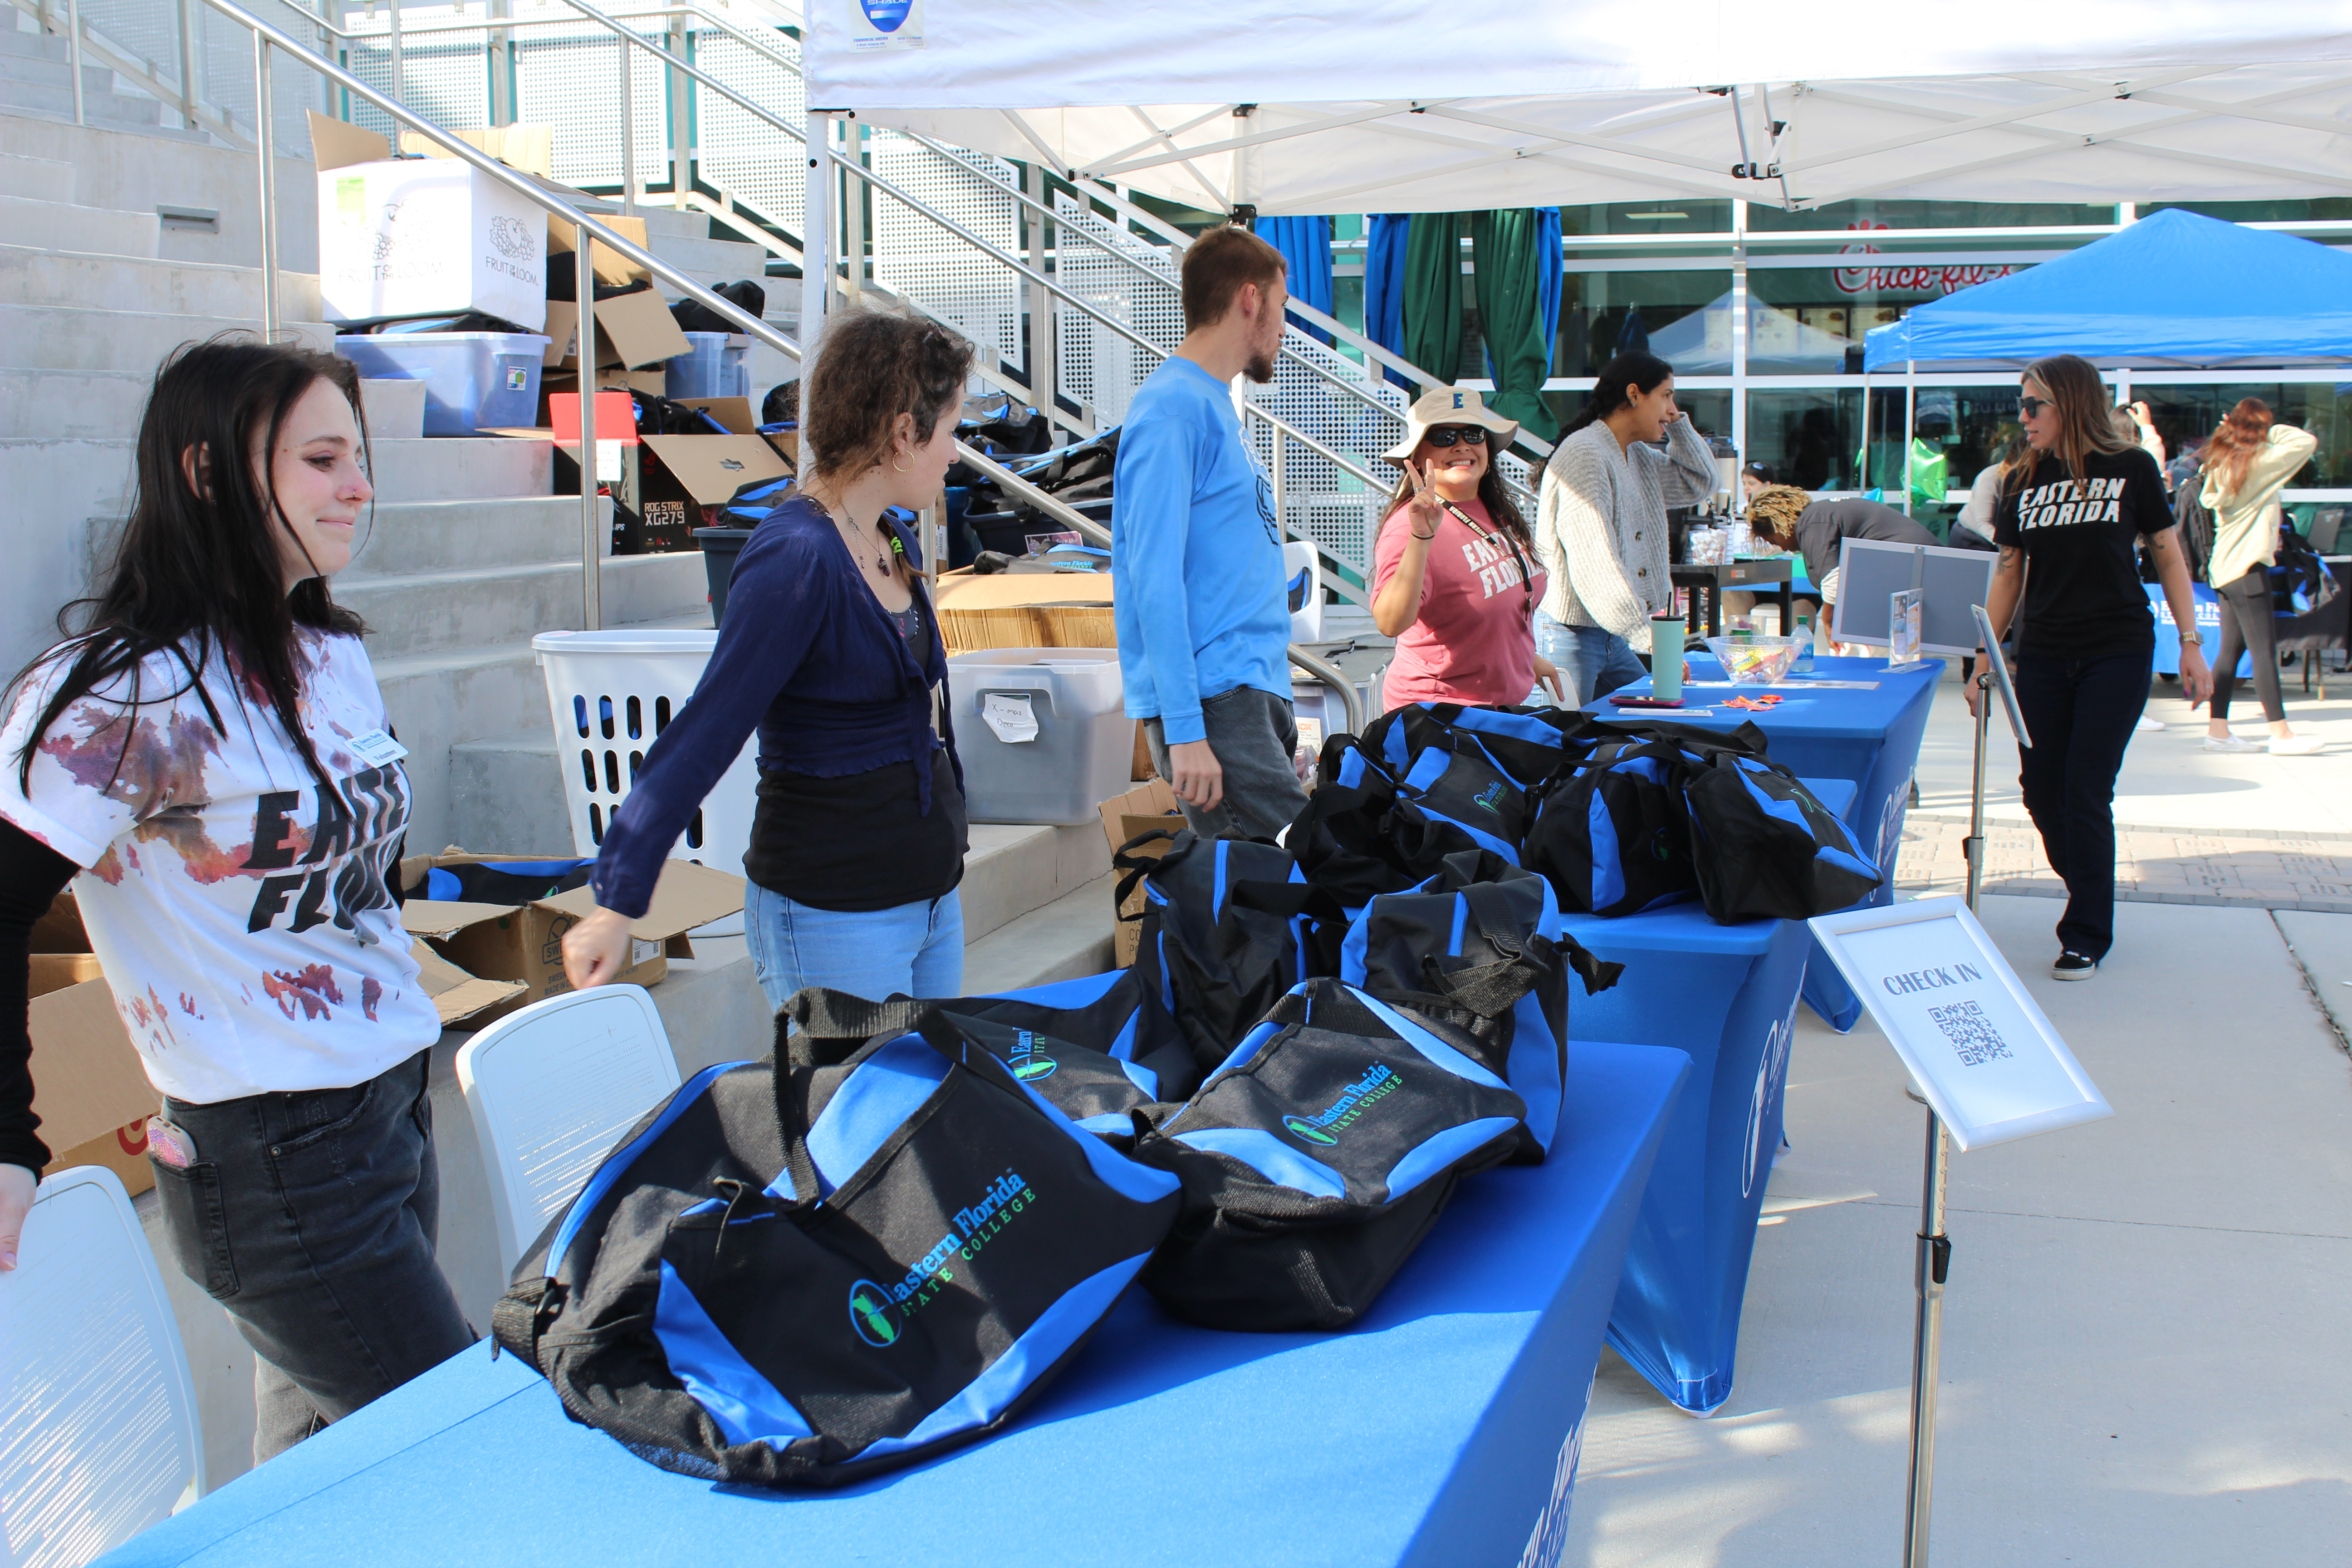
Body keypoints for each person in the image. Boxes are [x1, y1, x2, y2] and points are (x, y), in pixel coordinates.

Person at [0, 337, 470, 1459]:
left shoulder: (326, 648)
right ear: (208, 473)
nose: (357, 485)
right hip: (275, 1155)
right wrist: (6, 1137)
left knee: (320, 1487)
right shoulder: (116, 697)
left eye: (356, 456)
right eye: (319, 459)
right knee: (454, 1451)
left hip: (391, 1108)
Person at [562, 306, 973, 1008]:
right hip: (835, 912)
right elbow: (708, 728)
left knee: (927, 1112)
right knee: (849, 1115)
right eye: (953, 429)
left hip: (927, 899)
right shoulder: (796, 559)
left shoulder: (888, 534)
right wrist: (620, 898)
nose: (958, 452)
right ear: (904, 433)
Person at [1975, 354, 2213, 980]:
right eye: (2020, 405)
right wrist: (1985, 656)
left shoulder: (2131, 467)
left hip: (2118, 647)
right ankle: (2088, 884)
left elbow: (2169, 555)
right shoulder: (2020, 478)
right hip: (2045, 652)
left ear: (2071, 404)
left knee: (2085, 788)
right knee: (2040, 789)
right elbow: (2007, 573)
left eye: (2035, 406)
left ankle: (2086, 930)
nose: (2023, 417)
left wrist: (2190, 642)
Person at [1112, 225, 1304, 838]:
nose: (1283, 328)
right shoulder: (1172, 407)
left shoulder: (1208, 401)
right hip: (1217, 702)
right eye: (1281, 308)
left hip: (1242, 694)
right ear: (1250, 298)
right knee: (1310, 895)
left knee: (1278, 909)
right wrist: (1187, 728)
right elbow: (1153, 579)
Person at [1535, 350, 1715, 703]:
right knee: (1567, 745)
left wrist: (1679, 425)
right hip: (1571, 635)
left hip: (1611, 634)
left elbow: (1700, 482)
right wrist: (1646, 636)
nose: (1671, 408)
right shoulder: (1586, 454)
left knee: (1644, 727)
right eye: (1666, 396)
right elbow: (1594, 562)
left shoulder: (1637, 455)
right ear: (1635, 395)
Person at [1371, 388, 1563, 710]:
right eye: (1444, 437)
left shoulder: (1493, 509)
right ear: (1417, 457)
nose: (1462, 445)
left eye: (1474, 434)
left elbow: (1491, 611)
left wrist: (1525, 658)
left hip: (1498, 715)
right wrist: (1421, 538)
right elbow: (1390, 623)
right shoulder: (1409, 526)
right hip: (1441, 721)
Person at [2196, 398, 2322, 755]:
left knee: (2229, 653)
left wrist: (2233, 429)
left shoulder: (2223, 463)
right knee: (2264, 652)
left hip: (2225, 569)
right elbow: (2306, 442)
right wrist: (2270, 428)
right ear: (2261, 429)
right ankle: (2280, 734)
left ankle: (2218, 732)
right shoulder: (2261, 463)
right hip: (2249, 569)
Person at [1744, 484, 1938, 620]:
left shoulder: (1813, 523)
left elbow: (1833, 581)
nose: (1783, 548)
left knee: (1867, 653)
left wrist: (1829, 621)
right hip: (1924, 564)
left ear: (1779, 526)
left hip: (1918, 567)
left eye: (1774, 541)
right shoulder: (1822, 513)